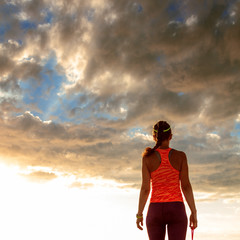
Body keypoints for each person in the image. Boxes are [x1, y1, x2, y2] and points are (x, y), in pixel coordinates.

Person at [136, 121, 197, 240]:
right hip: (176, 209)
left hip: (155, 210)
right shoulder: (181, 156)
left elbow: (145, 189)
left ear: (154, 137)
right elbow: (186, 186)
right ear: (170, 136)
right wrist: (193, 212)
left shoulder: (147, 158)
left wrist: (139, 214)